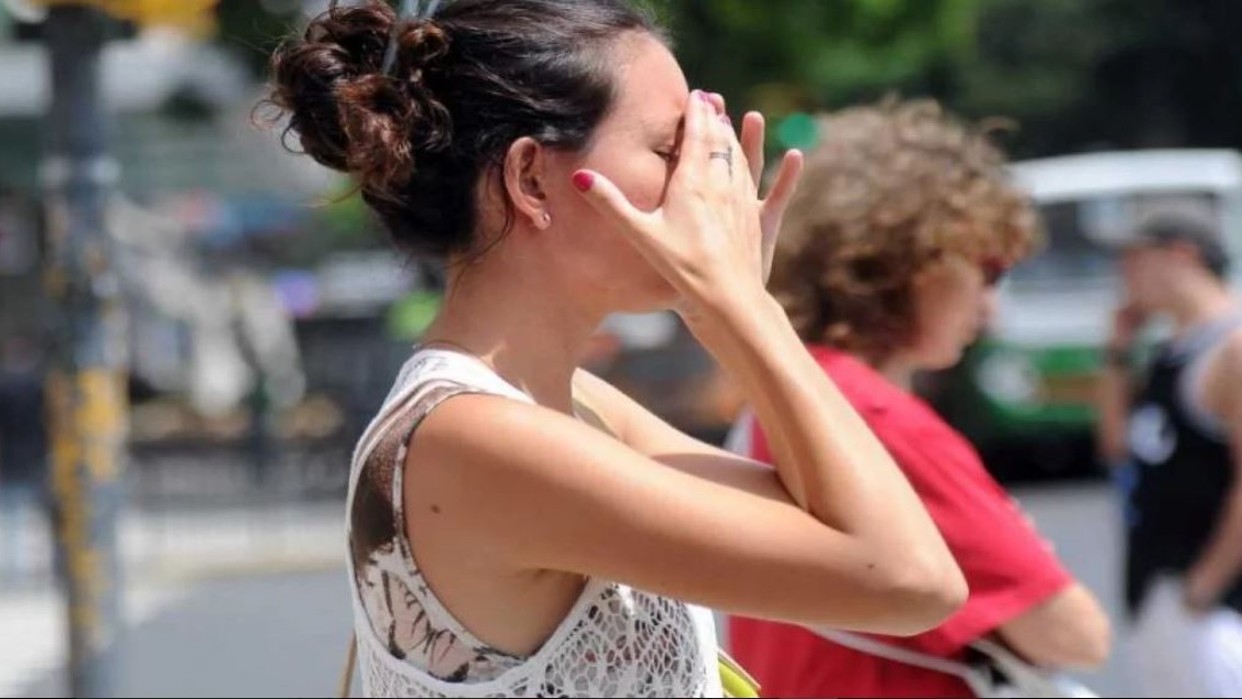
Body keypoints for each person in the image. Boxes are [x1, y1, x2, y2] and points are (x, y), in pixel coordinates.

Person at [267, 2, 967, 697]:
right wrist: (744, 307)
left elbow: (829, 517)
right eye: (671, 150)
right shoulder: (477, 438)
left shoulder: (575, 406)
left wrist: (729, 303)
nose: (707, 183)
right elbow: (909, 581)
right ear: (531, 178)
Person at [725, 99, 1112, 698]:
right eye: (987, 268)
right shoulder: (876, 419)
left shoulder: (785, 391)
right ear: (914, 260)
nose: (990, 303)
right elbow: (1074, 634)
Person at [1096, 206, 1242, 697]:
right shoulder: (1166, 350)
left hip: (1216, 601)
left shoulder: (1231, 349)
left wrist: (1205, 585)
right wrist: (1116, 354)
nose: (1123, 279)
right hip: (1159, 583)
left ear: (1183, 254)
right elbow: (1119, 446)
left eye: (1134, 262)